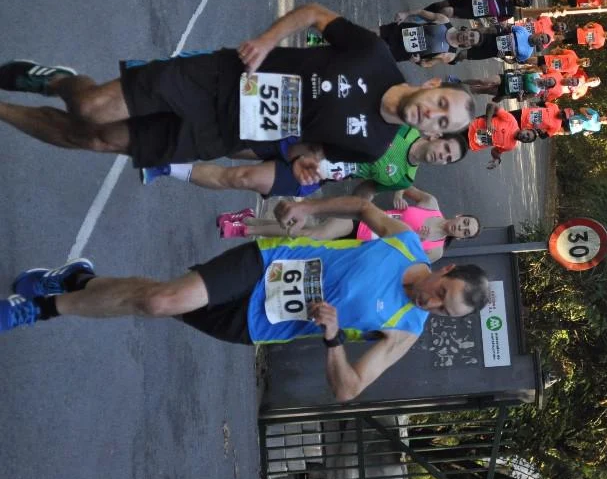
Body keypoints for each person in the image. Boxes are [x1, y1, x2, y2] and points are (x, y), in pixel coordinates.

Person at [0, 196, 490, 402]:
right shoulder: (404, 242)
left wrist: (333, 339)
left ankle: (78, 281)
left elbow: (349, 389)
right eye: (440, 294)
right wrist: (307, 207)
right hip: (268, 263)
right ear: (444, 270)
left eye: (442, 312)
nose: (431, 305)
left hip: (260, 324)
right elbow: (364, 206)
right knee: (162, 301)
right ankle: (39, 309)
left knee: (152, 300)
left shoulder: (406, 331)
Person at [0, 3, 476, 170]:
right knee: (90, 108)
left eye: (441, 122)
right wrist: (267, 41)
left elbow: (306, 147)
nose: (432, 114)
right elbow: (314, 13)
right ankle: (59, 80)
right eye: (441, 103)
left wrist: (304, 162)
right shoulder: (373, 55)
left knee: (96, 139)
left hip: (223, 134)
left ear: (432, 133)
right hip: (221, 80)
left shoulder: (373, 147)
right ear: (433, 82)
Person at [140, 127, 470, 199]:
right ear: (437, 136)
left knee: (241, 177)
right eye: (446, 149)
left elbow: (366, 190)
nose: (442, 157)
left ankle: (166, 167)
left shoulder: (404, 178)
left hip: (316, 175)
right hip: (307, 142)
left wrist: (347, 213)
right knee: (233, 146)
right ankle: (170, 137)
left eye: (448, 159)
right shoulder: (405, 127)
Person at [219, 187, 479, 263]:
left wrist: (413, 241)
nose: (461, 228)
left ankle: (248, 219)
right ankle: (245, 229)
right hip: (362, 219)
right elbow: (402, 182)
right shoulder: (431, 203)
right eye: (465, 222)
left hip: (362, 249)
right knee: (313, 234)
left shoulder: (436, 251)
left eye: (466, 232)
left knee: (306, 239)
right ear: (459, 215)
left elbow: (404, 263)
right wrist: (399, 196)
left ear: (462, 238)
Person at [379, 9, 483, 66]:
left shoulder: (450, 55)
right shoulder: (444, 20)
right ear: (468, 30)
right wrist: (406, 13)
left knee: (375, 56)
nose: (468, 38)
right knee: (373, 33)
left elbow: (428, 64)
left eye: (471, 41)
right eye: (471, 35)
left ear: (468, 45)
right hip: (400, 31)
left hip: (402, 52)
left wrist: (418, 61)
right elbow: (421, 12)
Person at [466, 102, 542, 169]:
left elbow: (495, 151)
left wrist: (497, 159)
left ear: (524, 142)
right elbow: (491, 105)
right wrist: (488, 122)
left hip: (472, 144)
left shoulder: (510, 146)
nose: (525, 137)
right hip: (470, 127)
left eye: (527, 139)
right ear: (525, 129)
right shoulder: (511, 120)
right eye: (527, 134)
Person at [464, 25, 549, 65]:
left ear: (541, 45)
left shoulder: (527, 53)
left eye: (542, 41)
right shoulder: (523, 30)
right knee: (474, 37)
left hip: (494, 51)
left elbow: (512, 61)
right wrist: (502, 29)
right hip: (492, 37)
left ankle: (457, 59)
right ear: (539, 33)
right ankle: (468, 31)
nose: (540, 40)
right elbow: (508, 27)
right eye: (542, 37)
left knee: (464, 54)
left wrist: (503, 58)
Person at [463, 70, 562, 103]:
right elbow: (523, 71)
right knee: (482, 81)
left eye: (549, 83)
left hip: (505, 91)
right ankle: (461, 83)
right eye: (549, 80)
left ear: (547, 87)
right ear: (547, 77)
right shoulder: (535, 74)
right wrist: (516, 71)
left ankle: (461, 90)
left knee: (480, 90)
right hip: (505, 78)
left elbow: (521, 100)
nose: (547, 82)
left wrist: (520, 95)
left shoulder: (535, 92)